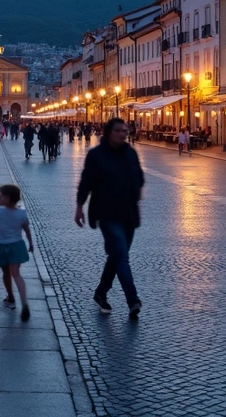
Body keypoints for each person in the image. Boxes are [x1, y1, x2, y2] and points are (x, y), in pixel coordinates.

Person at [75, 118, 144, 318]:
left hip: (129, 213)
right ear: (108, 133)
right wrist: (79, 207)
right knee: (121, 256)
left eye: (125, 130)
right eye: (118, 131)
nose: (123, 134)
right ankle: (133, 300)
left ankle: (101, 293)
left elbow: (139, 178)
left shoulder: (130, 153)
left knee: (116, 256)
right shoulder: (96, 155)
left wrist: (136, 192)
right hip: (107, 213)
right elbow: (86, 182)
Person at [0, 184, 35, 322]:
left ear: (7, 198)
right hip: (17, 246)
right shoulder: (22, 213)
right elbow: (27, 229)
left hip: (2, 246)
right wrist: (31, 243)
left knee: (6, 273)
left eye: (0, 196)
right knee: (16, 274)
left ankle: (11, 297)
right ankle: (24, 302)